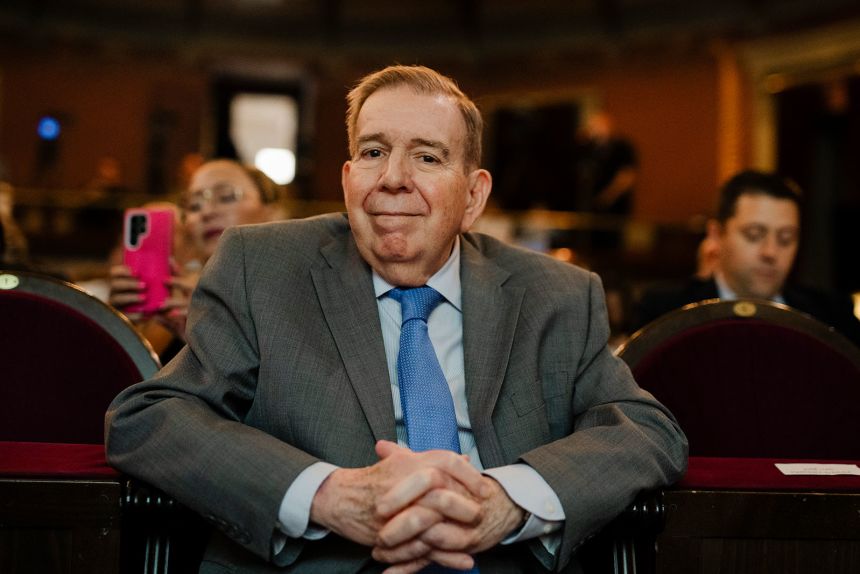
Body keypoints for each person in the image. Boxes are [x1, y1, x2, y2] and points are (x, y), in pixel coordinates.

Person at [106, 65, 687, 573]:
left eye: (428, 157)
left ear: (474, 197)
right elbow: (149, 417)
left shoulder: (556, 294)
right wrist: (328, 494)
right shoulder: (262, 268)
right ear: (347, 178)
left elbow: (645, 430)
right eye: (373, 152)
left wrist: (508, 501)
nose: (392, 179)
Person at [632, 169, 860, 345]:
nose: (770, 252)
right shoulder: (665, 312)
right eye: (754, 235)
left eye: (786, 238)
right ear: (717, 234)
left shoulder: (831, 315)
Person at [108, 159, 285, 361]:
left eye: (226, 197)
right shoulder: (179, 301)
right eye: (194, 205)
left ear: (272, 212)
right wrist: (116, 326)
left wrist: (215, 329)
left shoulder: (298, 290)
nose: (206, 212)